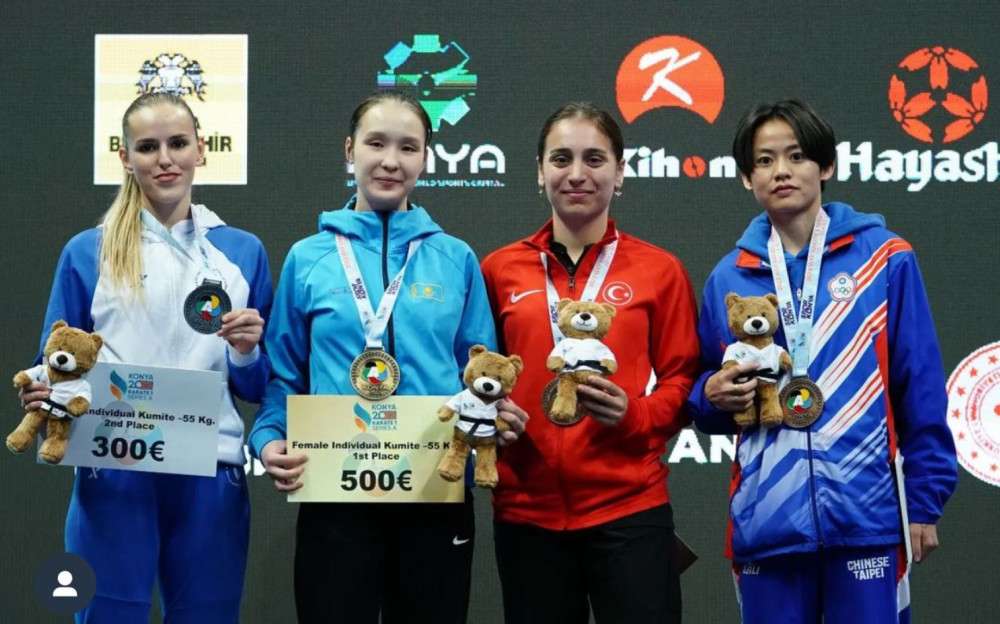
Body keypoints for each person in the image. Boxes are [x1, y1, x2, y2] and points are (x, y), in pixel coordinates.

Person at [248, 90, 526, 624]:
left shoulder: (455, 258)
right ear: (349, 150)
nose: (390, 161)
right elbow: (284, 376)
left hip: (435, 489)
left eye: (408, 147)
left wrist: (497, 419)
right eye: (376, 143)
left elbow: (481, 378)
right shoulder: (308, 258)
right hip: (336, 490)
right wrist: (267, 438)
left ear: (425, 159)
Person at [686, 99, 958, 623]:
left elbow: (919, 384)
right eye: (764, 160)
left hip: (867, 516)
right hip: (768, 522)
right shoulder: (729, 277)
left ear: (826, 165)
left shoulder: (885, 258)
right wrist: (711, 396)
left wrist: (924, 500)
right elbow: (703, 395)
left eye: (797, 156)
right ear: (745, 177)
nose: (781, 171)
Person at [18, 92, 272, 623]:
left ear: (202, 149)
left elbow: (255, 388)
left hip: (211, 468)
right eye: (148, 147)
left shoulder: (242, 251)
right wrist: (42, 389)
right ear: (125, 157)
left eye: (178, 143)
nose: (165, 159)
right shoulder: (88, 250)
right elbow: (56, 360)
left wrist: (247, 353)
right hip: (114, 465)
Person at [480, 102, 699, 624]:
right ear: (540, 172)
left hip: (630, 509)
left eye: (594, 159)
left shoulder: (660, 270)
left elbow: (684, 379)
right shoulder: (499, 269)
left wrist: (635, 415)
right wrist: (492, 418)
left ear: (620, 173)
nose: (577, 173)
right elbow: (477, 377)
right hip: (526, 513)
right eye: (561, 159)